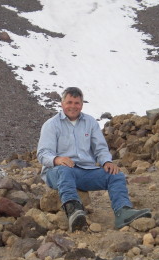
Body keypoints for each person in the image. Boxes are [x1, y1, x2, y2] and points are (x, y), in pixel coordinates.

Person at [37, 87, 151, 232]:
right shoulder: (51, 125)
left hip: (84, 171)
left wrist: (106, 161)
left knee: (115, 174)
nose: (73, 106)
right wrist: (57, 159)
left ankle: (123, 211)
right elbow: (42, 153)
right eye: (69, 102)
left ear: (82, 104)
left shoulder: (90, 122)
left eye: (77, 103)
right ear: (62, 103)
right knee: (65, 170)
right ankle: (74, 212)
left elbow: (100, 148)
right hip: (57, 172)